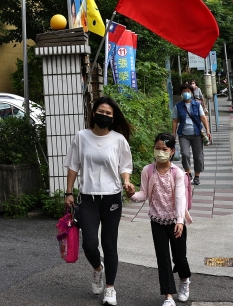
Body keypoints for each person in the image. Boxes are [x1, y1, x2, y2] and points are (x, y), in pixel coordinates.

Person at [65, 97, 135, 306]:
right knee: (89, 244)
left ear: (113, 119)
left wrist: (127, 181)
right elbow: (72, 166)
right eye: (101, 112)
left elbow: (125, 166)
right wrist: (68, 193)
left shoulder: (118, 140)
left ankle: (110, 289)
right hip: (88, 197)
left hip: (112, 197)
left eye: (108, 114)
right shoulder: (81, 137)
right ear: (93, 113)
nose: (104, 116)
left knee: (109, 243)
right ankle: (98, 269)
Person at [131, 132, 194, 305]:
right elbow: (143, 194)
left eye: (164, 149)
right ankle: (168, 296)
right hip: (157, 220)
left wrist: (180, 220)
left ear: (172, 151)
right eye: (157, 148)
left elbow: (181, 198)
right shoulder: (148, 170)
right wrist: (131, 195)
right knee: (163, 258)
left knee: (179, 257)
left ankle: (185, 281)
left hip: (175, 221)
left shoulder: (177, 173)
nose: (160, 152)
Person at [172, 84, 211, 185]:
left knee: (198, 156)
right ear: (181, 94)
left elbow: (203, 118)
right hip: (183, 134)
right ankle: (188, 174)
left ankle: (197, 176)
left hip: (197, 134)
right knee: (185, 154)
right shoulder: (178, 106)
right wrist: (173, 134)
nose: (187, 93)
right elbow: (175, 121)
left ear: (192, 93)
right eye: (184, 91)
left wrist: (208, 131)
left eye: (188, 92)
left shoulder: (197, 105)